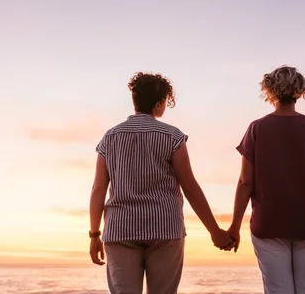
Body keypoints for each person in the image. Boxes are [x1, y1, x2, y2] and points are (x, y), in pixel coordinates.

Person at [88, 72, 234, 294]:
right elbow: (190, 187)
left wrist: (94, 234)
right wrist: (215, 231)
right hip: (165, 228)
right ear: (159, 104)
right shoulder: (173, 137)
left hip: (120, 230)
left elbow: (98, 189)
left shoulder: (111, 137)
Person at [228, 65, 305, 294]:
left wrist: (234, 227)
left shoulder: (257, 128)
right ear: (300, 91)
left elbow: (245, 183)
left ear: (270, 90)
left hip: (269, 224)